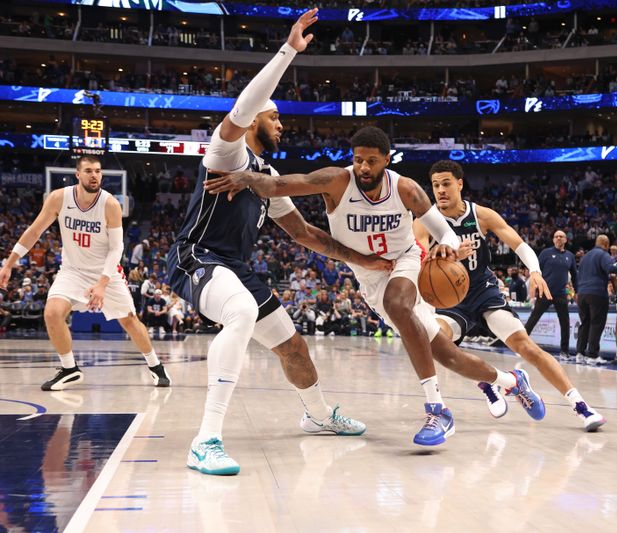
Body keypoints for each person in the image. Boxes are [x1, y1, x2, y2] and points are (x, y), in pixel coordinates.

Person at [205, 126, 547, 446]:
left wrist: (446, 244)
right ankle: (512, 382)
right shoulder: (337, 181)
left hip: (406, 261)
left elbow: (442, 229)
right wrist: (247, 176)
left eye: (371, 160)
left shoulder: (406, 189)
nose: (363, 167)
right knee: (448, 356)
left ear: (387, 159)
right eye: (357, 159)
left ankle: (437, 411)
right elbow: (283, 185)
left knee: (399, 305)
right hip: (369, 276)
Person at [166, 10, 387, 476]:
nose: (281, 124)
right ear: (253, 122)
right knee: (241, 312)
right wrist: (289, 51)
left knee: (294, 348)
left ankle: (318, 415)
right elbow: (244, 107)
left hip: (237, 268)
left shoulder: (265, 178)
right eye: (275, 115)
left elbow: (306, 235)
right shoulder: (226, 152)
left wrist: (363, 259)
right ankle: (206, 440)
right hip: (195, 257)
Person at [413, 160, 605, 431]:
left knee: (526, 347)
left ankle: (581, 406)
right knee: (439, 346)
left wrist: (535, 271)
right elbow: (418, 259)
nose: (440, 190)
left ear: (459, 183)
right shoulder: (425, 222)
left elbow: (517, 243)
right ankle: (492, 382)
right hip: (451, 300)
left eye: (446, 183)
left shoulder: (482, 215)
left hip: (483, 290)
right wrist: (448, 256)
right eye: (435, 185)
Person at [0, 155, 170, 390]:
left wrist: (101, 284)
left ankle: (155, 365)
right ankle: (69, 369)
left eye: (98, 171)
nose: (94, 175)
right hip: (72, 271)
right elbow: (34, 231)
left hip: (106, 272)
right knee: (52, 313)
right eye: (89, 171)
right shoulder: (59, 198)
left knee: (129, 321)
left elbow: (117, 248)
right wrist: (9, 263)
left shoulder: (110, 203)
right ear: (77, 174)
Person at [523, 230, 577, 360]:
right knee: (533, 319)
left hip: (561, 294)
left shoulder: (570, 256)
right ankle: (521, 347)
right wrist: (533, 287)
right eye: (556, 236)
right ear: (553, 239)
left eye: (561, 236)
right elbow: (536, 270)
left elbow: (575, 275)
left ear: (565, 240)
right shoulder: (546, 253)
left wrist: (577, 291)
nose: (558, 238)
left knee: (565, 323)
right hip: (544, 292)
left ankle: (564, 351)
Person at [575, 235, 617, 365]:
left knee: (585, 323)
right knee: (596, 323)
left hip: (582, 294)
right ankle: (593, 355)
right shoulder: (603, 255)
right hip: (597, 293)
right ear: (606, 244)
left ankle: (580, 353)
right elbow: (611, 269)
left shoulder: (584, 257)